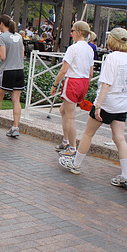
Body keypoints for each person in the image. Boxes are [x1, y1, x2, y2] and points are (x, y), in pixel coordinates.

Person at [58, 28, 127, 189]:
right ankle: (126, 175)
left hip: (107, 103)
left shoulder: (111, 58)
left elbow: (106, 84)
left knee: (88, 133)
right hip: (121, 105)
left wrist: (98, 105)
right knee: (120, 138)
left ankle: (76, 163)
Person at [50, 21, 94, 157]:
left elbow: (64, 69)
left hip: (73, 81)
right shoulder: (90, 49)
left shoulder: (73, 48)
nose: (71, 33)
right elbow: (91, 72)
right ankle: (66, 140)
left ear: (79, 32)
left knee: (70, 117)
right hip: (84, 81)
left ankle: (72, 146)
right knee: (63, 110)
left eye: (73, 31)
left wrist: (55, 84)